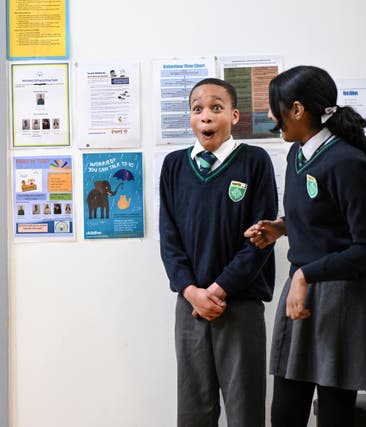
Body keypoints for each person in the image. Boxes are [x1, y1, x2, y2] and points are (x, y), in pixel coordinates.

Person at [244, 65, 366, 427]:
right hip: (301, 290)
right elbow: (324, 217)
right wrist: (281, 228)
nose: (270, 115)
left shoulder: (347, 162)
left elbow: (363, 247)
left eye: (274, 107)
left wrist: (305, 276)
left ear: (297, 110)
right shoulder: (296, 154)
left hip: (339, 300)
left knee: (334, 414)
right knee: (284, 413)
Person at [159, 78, 278, 427]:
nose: (206, 117)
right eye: (197, 109)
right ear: (190, 118)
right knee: (195, 409)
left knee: (245, 410)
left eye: (216, 108)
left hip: (238, 305)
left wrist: (220, 288)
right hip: (191, 305)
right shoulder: (174, 166)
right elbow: (170, 239)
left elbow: (261, 238)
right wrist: (192, 290)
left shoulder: (254, 161)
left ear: (234, 115)